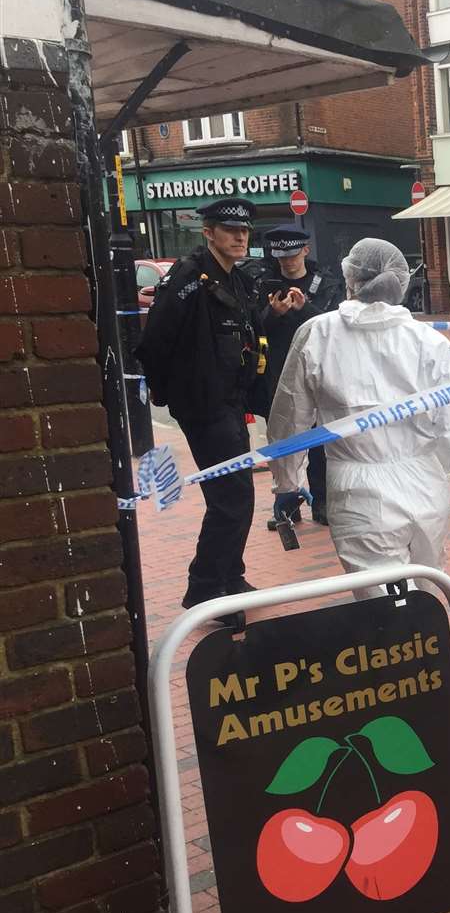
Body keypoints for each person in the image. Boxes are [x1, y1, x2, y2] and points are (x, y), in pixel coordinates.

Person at [266, 239, 450, 597]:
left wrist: (287, 483)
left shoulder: (318, 334)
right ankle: (438, 652)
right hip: (426, 488)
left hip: (358, 490)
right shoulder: (427, 341)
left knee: (385, 612)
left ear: (351, 278)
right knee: (429, 594)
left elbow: (289, 417)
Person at [136, 197, 274, 623]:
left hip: (229, 401)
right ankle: (205, 590)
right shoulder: (189, 278)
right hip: (204, 403)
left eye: (245, 230)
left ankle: (230, 578)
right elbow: (154, 342)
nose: (239, 237)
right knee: (230, 498)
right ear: (208, 232)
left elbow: (245, 330)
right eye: (230, 229)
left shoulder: (233, 277)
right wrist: (173, 394)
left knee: (238, 496)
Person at [257, 226, 343, 528]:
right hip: (278, 372)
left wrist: (304, 308)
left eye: (292, 255)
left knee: (319, 442)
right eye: (281, 257)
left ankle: (322, 502)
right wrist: (274, 313)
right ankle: (287, 505)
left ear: (305, 250)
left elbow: (332, 325)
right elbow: (255, 326)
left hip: (318, 370)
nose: (287, 263)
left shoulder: (328, 282)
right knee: (281, 439)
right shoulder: (264, 283)